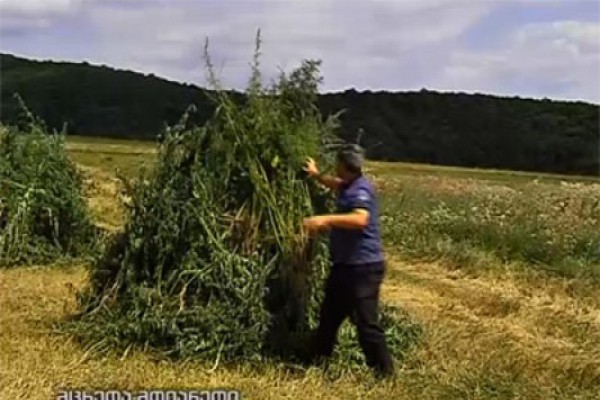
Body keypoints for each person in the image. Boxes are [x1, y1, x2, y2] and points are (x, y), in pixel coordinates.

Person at [302, 144, 395, 378]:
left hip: (363, 268)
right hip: (345, 266)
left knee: (366, 324)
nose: (336, 167)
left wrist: (325, 219)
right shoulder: (349, 183)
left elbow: (360, 219)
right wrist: (316, 175)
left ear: (344, 165)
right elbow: (335, 184)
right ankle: (318, 362)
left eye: (338, 163)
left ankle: (384, 374)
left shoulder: (360, 190)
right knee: (329, 317)